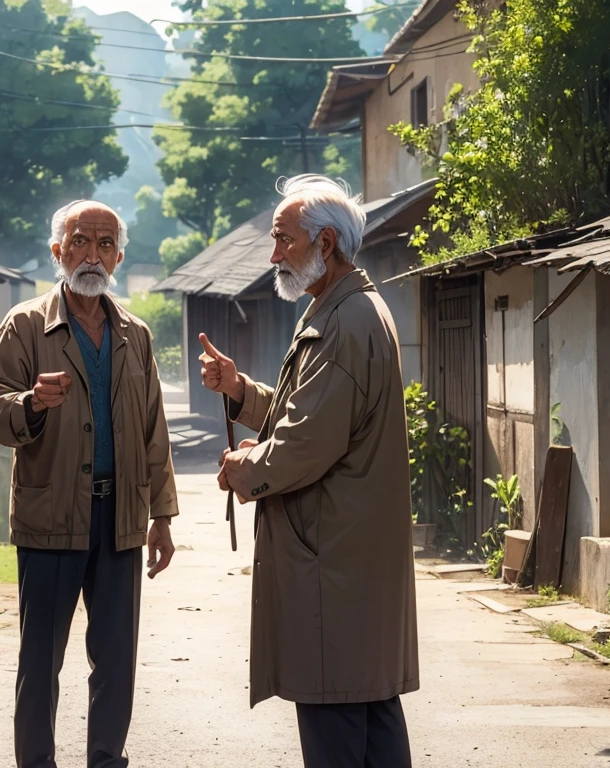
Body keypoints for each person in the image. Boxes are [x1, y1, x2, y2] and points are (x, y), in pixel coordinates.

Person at [199, 174, 418, 768]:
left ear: (324, 244)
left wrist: (242, 468)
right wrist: (241, 391)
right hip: (350, 561)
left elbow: (303, 445)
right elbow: (313, 416)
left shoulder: (345, 322)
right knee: (369, 713)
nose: (274, 254)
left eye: (282, 239)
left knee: (337, 721)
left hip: (334, 563)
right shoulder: (348, 309)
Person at [0, 200, 178, 768]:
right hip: (50, 518)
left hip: (120, 520)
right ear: (57, 251)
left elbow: (152, 430)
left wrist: (161, 517)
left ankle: (106, 760)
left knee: (116, 659)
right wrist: (30, 402)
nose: (93, 254)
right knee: (40, 660)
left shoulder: (135, 335)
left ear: (119, 255)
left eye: (105, 243)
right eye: (81, 241)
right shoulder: (25, 325)